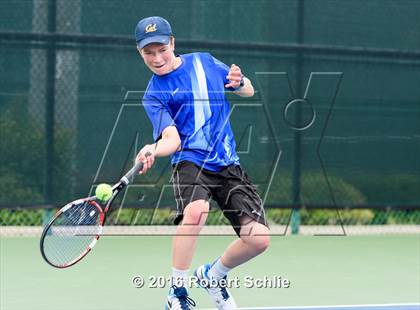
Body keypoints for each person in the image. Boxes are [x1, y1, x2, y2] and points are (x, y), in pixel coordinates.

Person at [134, 16, 270, 310]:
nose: (157, 58)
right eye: (149, 52)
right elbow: (172, 139)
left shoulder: (204, 63)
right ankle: (176, 293)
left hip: (227, 162)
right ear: (140, 52)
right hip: (190, 160)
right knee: (196, 211)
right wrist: (153, 149)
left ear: (173, 43)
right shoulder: (153, 95)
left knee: (258, 240)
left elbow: (247, 91)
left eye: (161, 49)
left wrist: (240, 81)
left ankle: (213, 275)